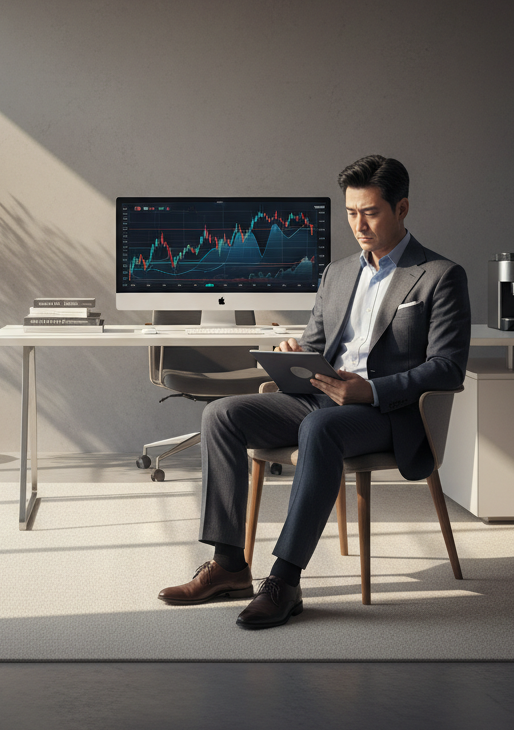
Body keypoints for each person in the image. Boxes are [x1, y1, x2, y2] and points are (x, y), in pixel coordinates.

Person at [157, 155, 471, 629]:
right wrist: (295, 352)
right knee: (221, 414)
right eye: (350, 213)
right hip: (320, 397)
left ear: (402, 208)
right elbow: (319, 347)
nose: (358, 225)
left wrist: (371, 391)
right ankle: (229, 566)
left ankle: (285, 580)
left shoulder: (440, 276)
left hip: (387, 412)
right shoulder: (337, 273)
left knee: (320, 427)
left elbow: (448, 369)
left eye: (370, 212)